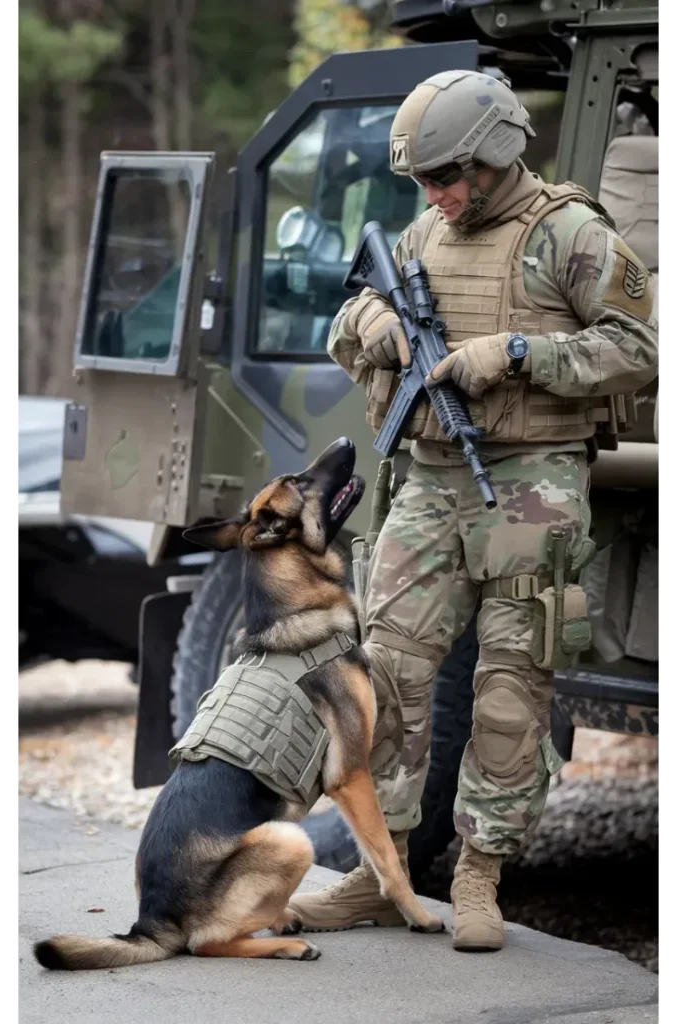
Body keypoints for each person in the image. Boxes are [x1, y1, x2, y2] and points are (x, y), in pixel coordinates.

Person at [288, 69, 659, 950]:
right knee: (385, 677)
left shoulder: (571, 234)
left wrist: (521, 352)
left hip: (530, 484)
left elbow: (638, 349)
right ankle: (382, 876)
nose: (437, 195)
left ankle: (480, 877)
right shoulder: (426, 228)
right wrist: (371, 330)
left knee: (509, 686)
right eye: (424, 181)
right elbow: (346, 321)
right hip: (428, 479)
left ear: (497, 155)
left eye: (449, 176)